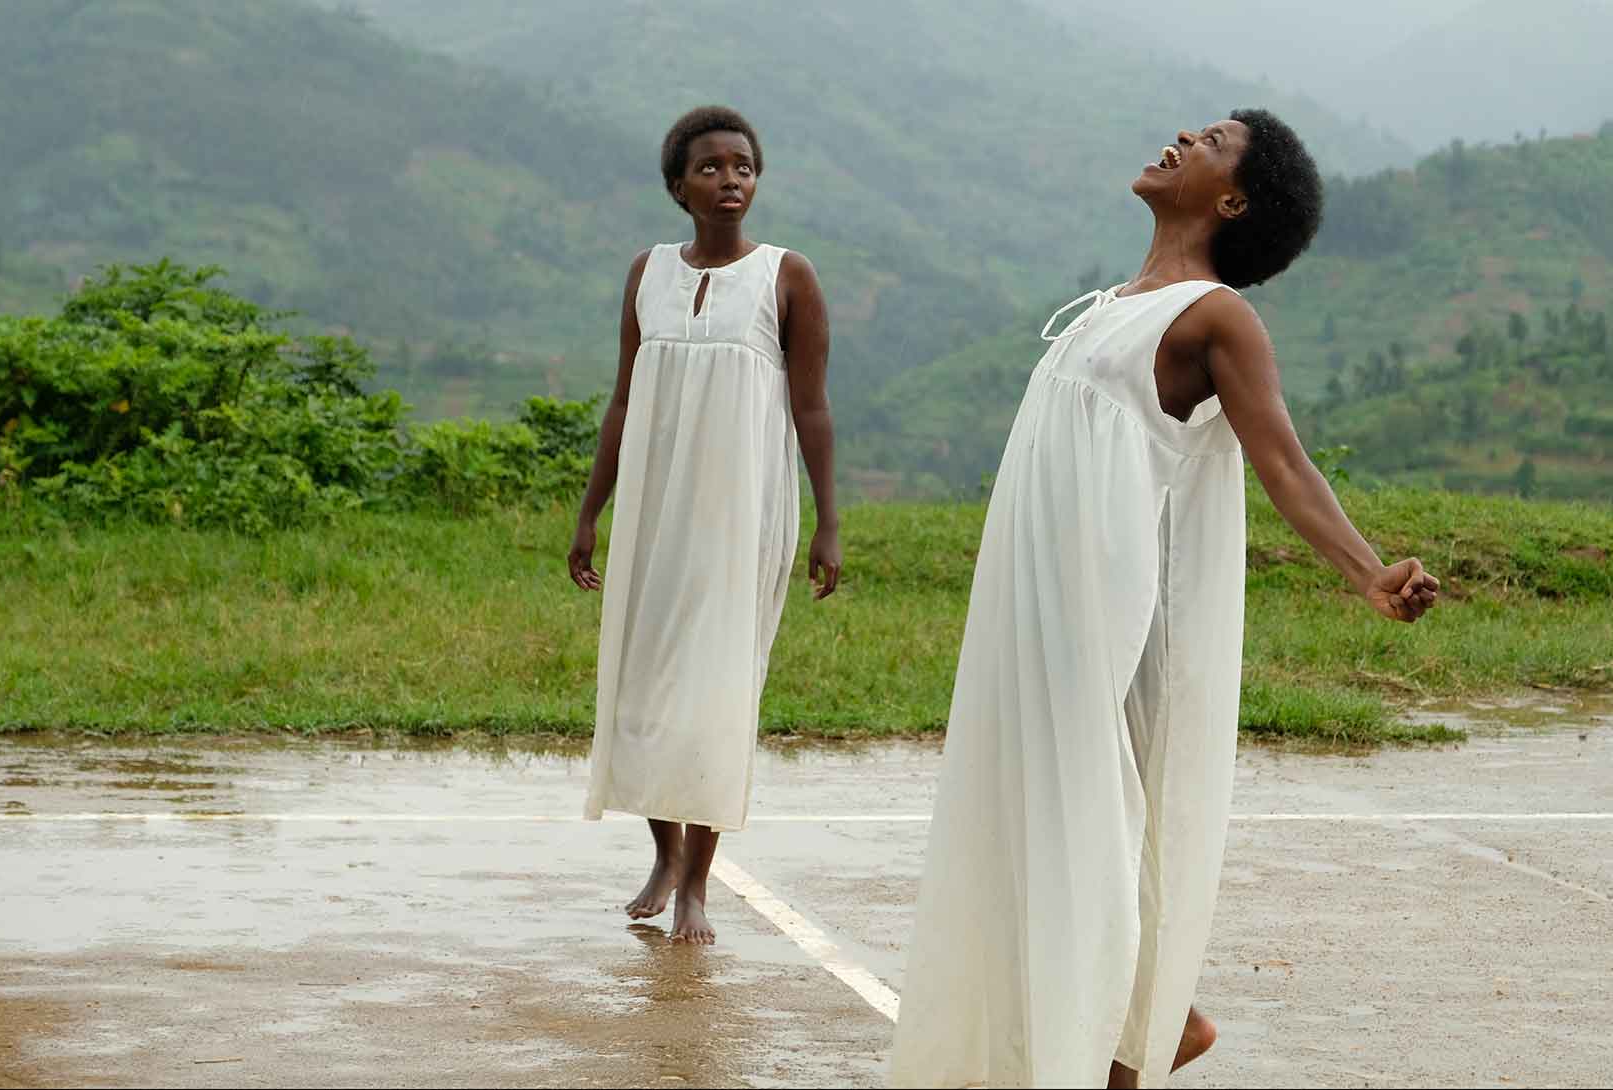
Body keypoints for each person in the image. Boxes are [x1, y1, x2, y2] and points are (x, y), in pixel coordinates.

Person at [887, 110, 1440, 1088]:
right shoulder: (1108, 304)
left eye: (1216, 141)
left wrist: (1366, 570)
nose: (1184, 137)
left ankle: (1134, 1038)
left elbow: (1284, 458)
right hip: (1036, 610)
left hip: (1109, 625)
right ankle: (1152, 1023)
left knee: (1093, 826)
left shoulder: (1216, 315)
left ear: (1232, 199)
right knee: (1038, 819)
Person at [570, 105, 841, 946]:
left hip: (743, 511)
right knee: (643, 687)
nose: (732, 181)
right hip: (655, 510)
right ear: (678, 185)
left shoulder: (787, 276)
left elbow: (812, 408)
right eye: (714, 168)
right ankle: (660, 851)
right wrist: (590, 514)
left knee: (717, 695)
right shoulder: (646, 272)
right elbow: (621, 402)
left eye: (745, 167)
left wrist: (830, 523)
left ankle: (697, 884)